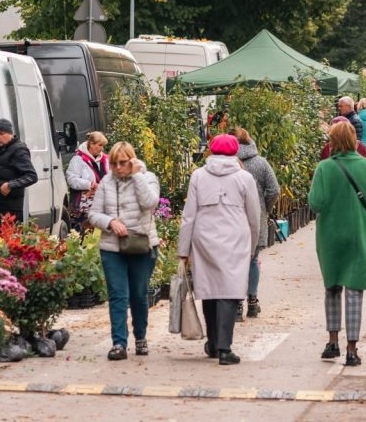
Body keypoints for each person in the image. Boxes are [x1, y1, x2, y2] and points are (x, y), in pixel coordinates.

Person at [178, 134, 259, 365]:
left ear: (211, 151)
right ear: (235, 152)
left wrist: (183, 250)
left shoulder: (198, 176)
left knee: (210, 289)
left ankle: (213, 343)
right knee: (230, 291)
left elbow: (189, 215)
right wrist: (252, 245)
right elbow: (254, 215)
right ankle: (225, 348)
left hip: (204, 239)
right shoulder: (244, 178)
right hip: (235, 238)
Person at [308, 121, 366, 368]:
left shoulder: (324, 168)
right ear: (353, 140)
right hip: (359, 235)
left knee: (332, 288)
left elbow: (315, 203)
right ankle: (352, 349)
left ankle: (332, 343)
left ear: (332, 141)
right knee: (354, 292)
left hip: (330, 237)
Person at [88, 141, 160, 360]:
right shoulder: (106, 183)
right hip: (112, 247)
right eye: (114, 164)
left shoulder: (148, 178)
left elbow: (150, 203)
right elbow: (93, 214)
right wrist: (110, 222)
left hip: (141, 245)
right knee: (118, 295)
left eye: (123, 163)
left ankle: (140, 337)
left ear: (133, 160)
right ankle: (119, 342)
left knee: (138, 294)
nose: (118, 168)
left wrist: (137, 175)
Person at [230, 127, 280, 320]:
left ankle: (236, 305)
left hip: (233, 218)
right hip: (255, 218)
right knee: (252, 260)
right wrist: (265, 208)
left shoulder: (229, 164)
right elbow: (274, 189)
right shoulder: (261, 163)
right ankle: (252, 301)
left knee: (235, 262)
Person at [0, 118, 38, 234]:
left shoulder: (18, 150)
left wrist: (10, 185)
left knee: (7, 246)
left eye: (1, 133)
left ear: (10, 134)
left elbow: (31, 176)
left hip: (8, 210)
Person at [66, 131, 109, 232]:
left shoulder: (105, 160)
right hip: (82, 207)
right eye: (100, 145)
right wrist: (89, 184)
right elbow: (71, 180)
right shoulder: (78, 160)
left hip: (101, 205)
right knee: (83, 234)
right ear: (91, 144)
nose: (102, 148)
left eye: (103, 146)